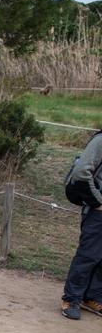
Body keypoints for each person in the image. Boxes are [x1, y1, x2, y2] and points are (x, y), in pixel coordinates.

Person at [61, 130, 102, 319]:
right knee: (89, 256)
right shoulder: (100, 141)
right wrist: (98, 202)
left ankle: (92, 297)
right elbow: (81, 172)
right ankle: (71, 298)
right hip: (97, 211)